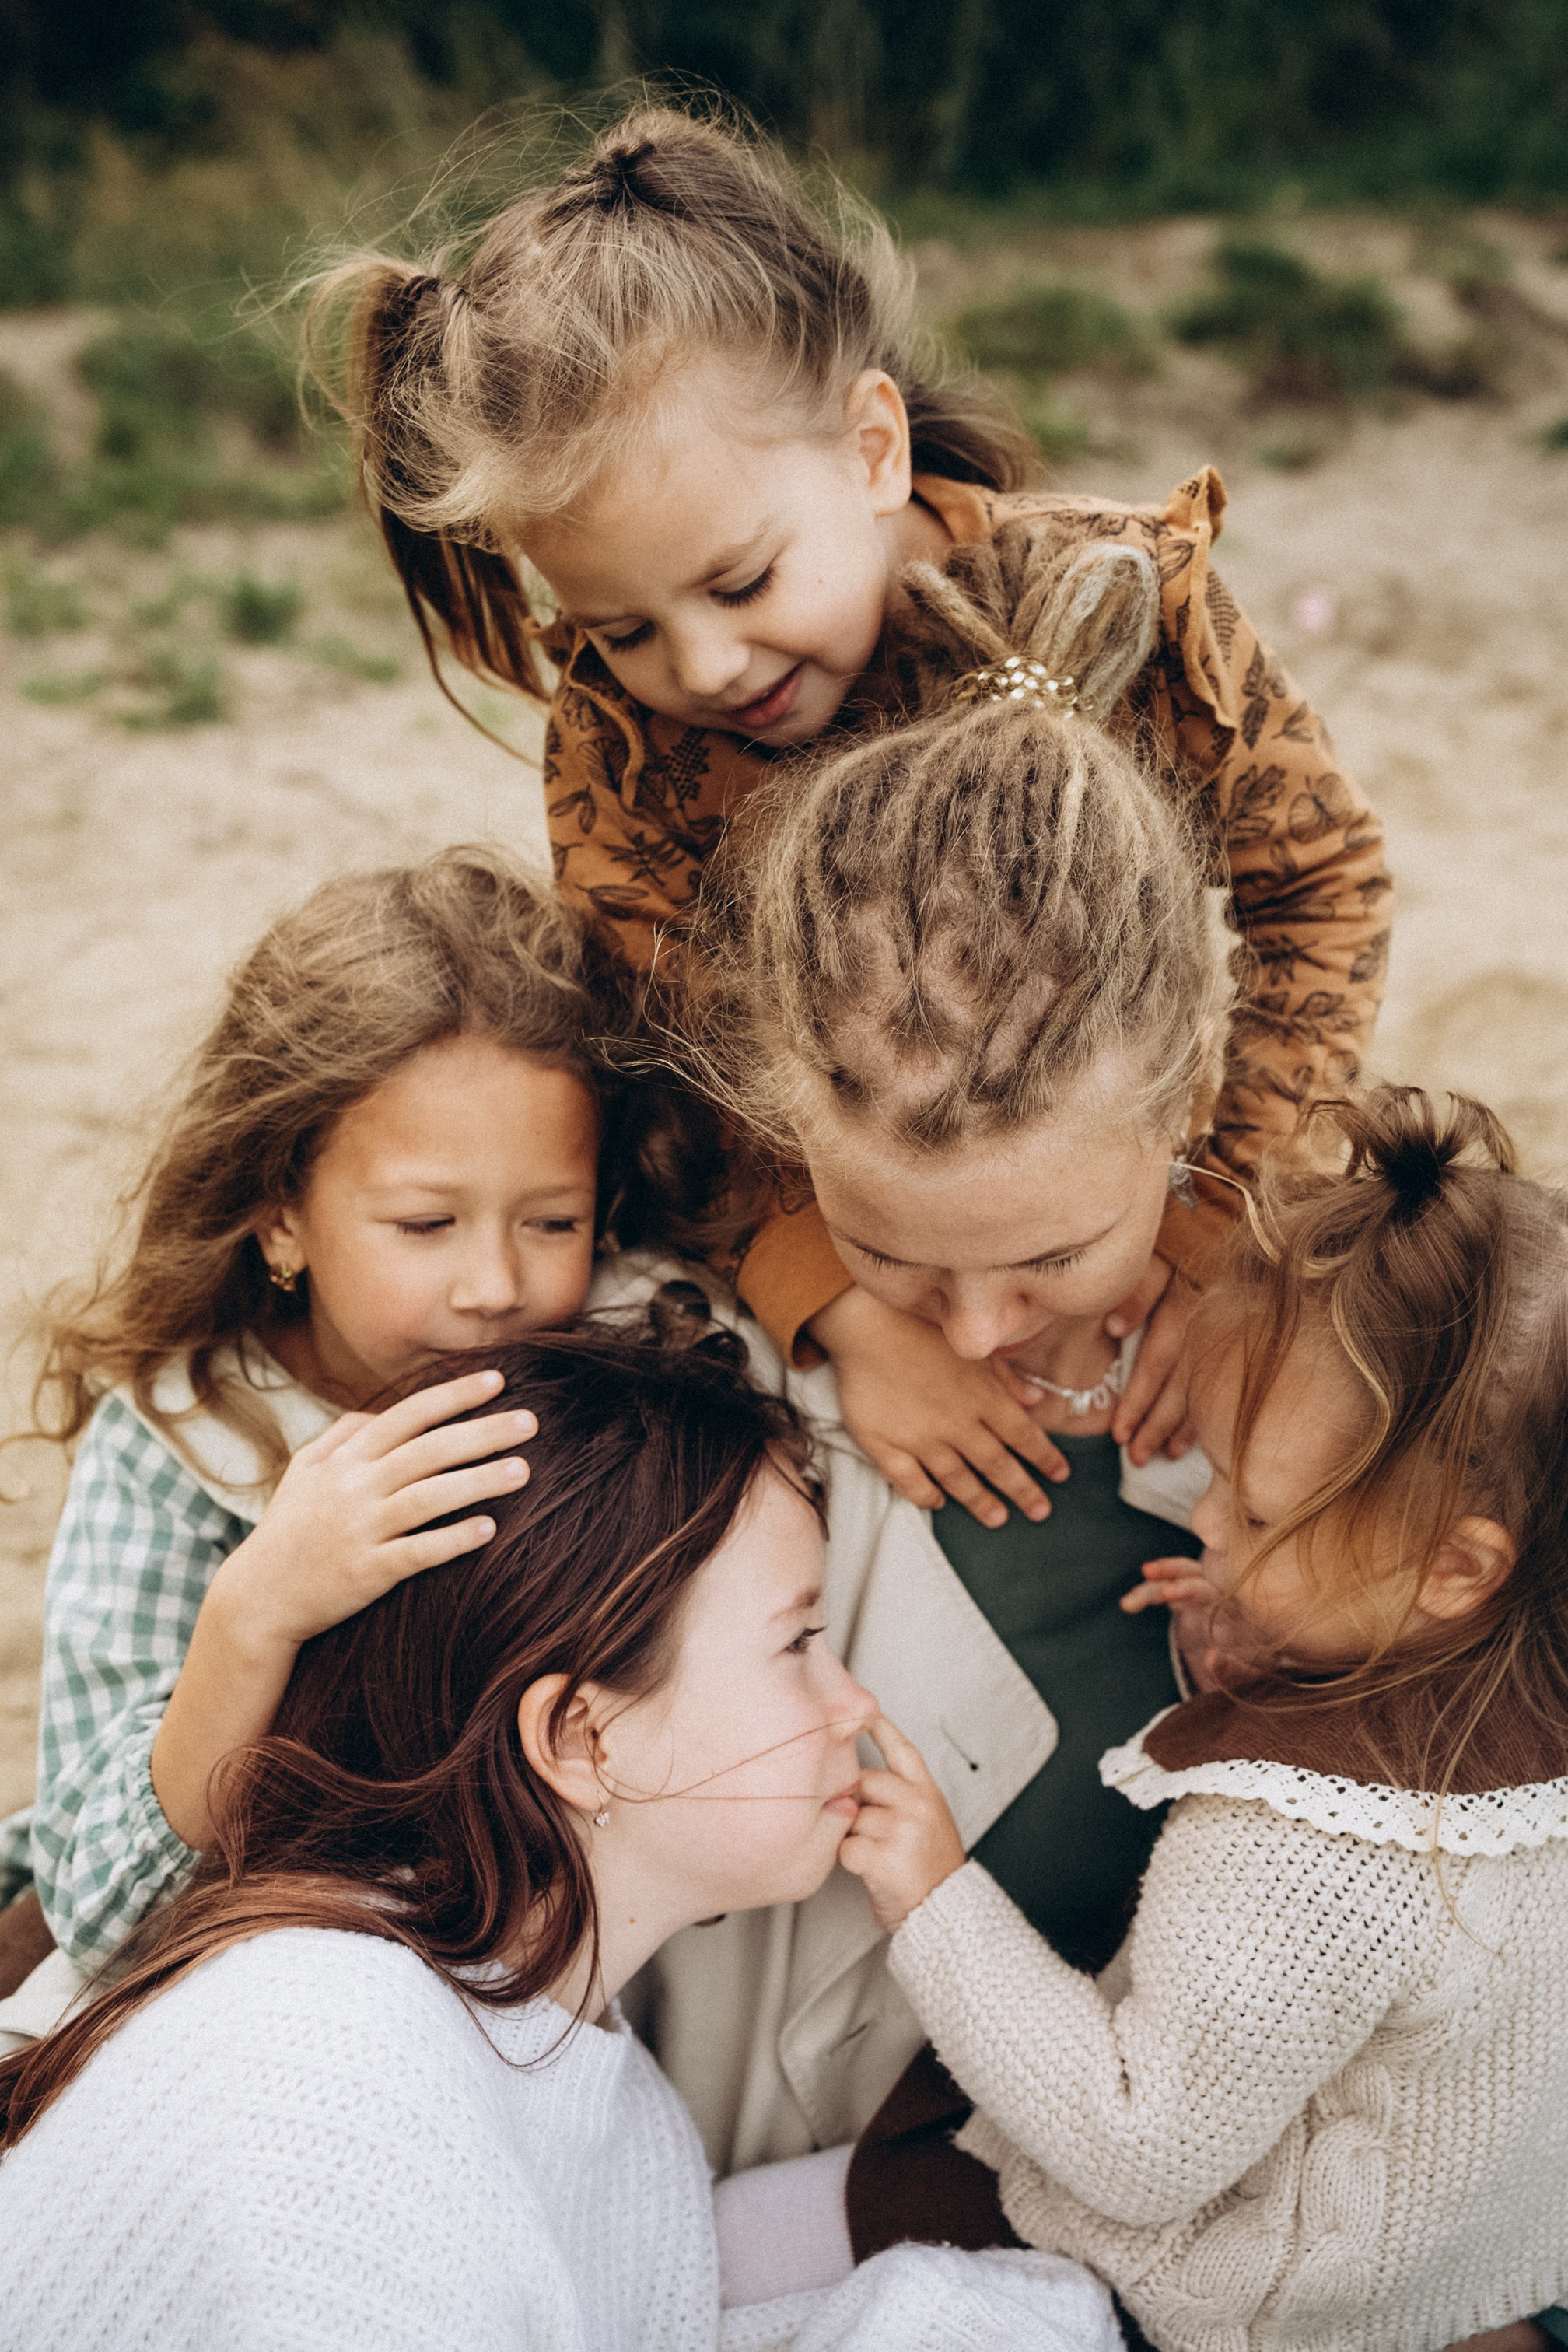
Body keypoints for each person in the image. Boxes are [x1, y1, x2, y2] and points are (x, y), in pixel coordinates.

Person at [306, 97, 1390, 1522]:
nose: (699, 667)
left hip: (1132, 1169)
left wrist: (1216, 1225)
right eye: (619, 626)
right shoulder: (623, 737)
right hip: (841, 1218)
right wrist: (850, 1315)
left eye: (742, 583)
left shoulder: (1128, 607)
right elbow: (662, 1054)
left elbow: (1320, 886)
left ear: (873, 447)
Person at [0, 1316, 1122, 2352]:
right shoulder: (343, 2055)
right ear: (582, 1739)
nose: (854, 1707)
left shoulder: (590, 2078)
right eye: (798, 1644)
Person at [613, 535, 1227, 2177]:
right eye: (889, 1250)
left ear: (1189, 1105)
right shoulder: (701, 1371)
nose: (967, 1330)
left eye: (1050, 1257)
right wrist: (838, 1311)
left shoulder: (1359, 1385)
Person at [839, 1087, 1568, 2352]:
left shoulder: (1298, 1847)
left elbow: (1138, 2142)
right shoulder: (1524, 1681)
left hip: (1245, 2306)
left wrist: (932, 1894)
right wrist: (1271, 1639)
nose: (1210, 1524)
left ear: (1455, 1567)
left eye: (1259, 1507)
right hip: (1470, 2259)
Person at [0, 845, 707, 1991]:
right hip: (272, 1987)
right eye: (426, 1225)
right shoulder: (190, 1446)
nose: (495, 1286)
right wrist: (259, 1611)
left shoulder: (635, 1353)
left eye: (552, 1221)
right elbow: (100, 1914)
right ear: (282, 1218)